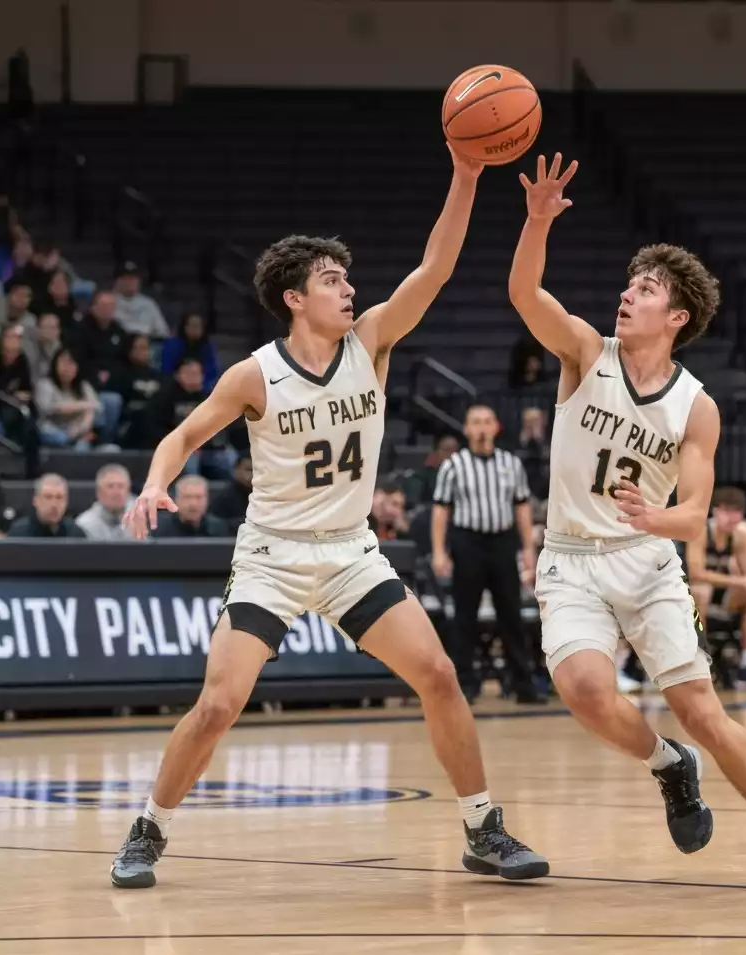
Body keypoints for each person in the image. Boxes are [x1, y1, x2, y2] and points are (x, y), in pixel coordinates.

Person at [111, 146, 547, 888]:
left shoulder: (370, 342)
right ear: (293, 297)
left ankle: (483, 827)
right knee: (219, 704)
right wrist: (155, 483)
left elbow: (434, 269)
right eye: (332, 281)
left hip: (350, 552)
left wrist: (466, 176)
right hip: (273, 556)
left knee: (439, 674)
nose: (349, 290)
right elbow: (183, 436)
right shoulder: (257, 373)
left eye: (347, 279)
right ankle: (150, 827)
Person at [509, 152, 746, 892]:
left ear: (677, 315)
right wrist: (536, 223)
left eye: (646, 289)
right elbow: (525, 293)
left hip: (646, 558)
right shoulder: (586, 352)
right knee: (585, 691)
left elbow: (694, 517)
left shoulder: (697, 406)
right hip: (569, 555)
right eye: (630, 283)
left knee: (703, 711)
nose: (628, 294)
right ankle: (666, 764)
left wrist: (659, 515)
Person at [431, 404, 542, 704]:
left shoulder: (511, 463)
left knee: (512, 615)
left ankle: (523, 685)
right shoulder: (453, 465)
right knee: (465, 617)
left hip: (503, 542)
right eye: (475, 422)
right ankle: (465, 685)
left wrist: (528, 549)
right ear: (466, 429)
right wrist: (440, 551)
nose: (481, 428)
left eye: (486, 421)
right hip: (467, 542)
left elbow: (521, 507)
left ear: (496, 427)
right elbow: (441, 510)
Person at [685, 487, 746, 687]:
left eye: (737, 512)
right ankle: (699, 658)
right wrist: (742, 581)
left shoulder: (741, 536)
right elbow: (696, 573)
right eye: (727, 511)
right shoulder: (701, 531)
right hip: (688, 594)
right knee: (702, 591)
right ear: (715, 511)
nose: (732, 517)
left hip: (723, 593)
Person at [6, 473, 87, 538]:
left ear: (66, 502)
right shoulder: (18, 535)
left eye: (59, 497)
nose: (54, 504)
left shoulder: (76, 535)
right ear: (36, 501)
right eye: (48, 497)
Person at [76, 464, 134, 540]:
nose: (116, 492)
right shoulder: (84, 525)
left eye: (121, 486)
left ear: (128, 491)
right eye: (110, 486)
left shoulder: (143, 517)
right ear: (98, 492)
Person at [209, 453, 253, 534]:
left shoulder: (268, 495)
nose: (253, 474)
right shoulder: (225, 497)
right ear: (236, 470)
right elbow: (217, 525)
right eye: (249, 470)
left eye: (257, 470)